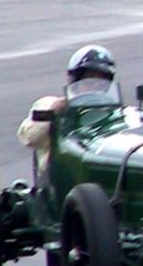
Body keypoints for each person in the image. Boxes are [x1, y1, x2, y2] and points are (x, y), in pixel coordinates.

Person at [17, 44, 122, 173]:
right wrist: (54, 113)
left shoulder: (113, 113)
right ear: (75, 80)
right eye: (89, 79)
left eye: (101, 81)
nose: (95, 85)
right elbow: (29, 138)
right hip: (59, 176)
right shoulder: (49, 104)